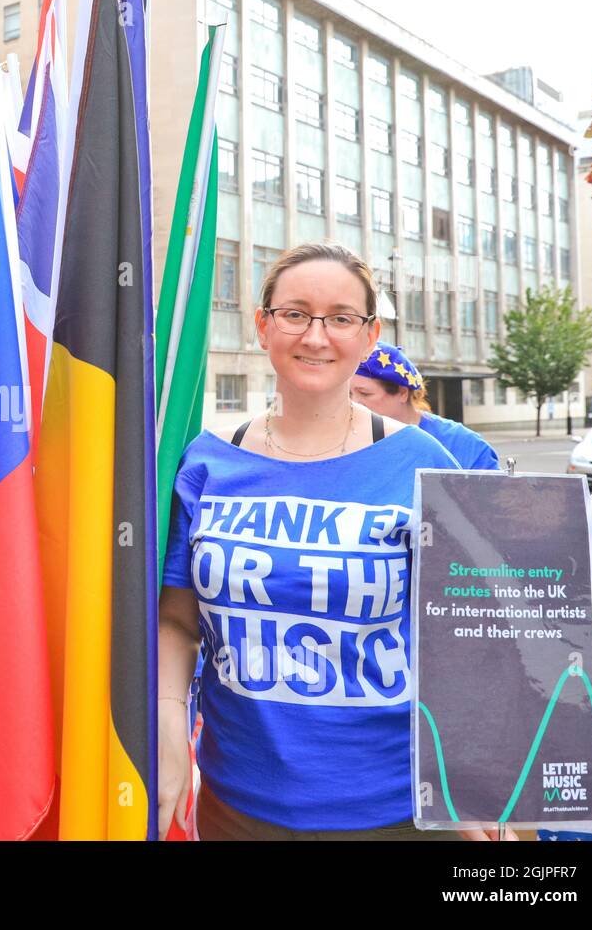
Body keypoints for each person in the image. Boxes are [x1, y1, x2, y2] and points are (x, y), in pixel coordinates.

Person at [157, 242, 509, 841]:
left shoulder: (425, 462)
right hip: (237, 804)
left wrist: (471, 780)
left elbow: (473, 629)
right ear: (263, 325)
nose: (316, 337)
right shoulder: (205, 462)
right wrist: (167, 733)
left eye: (341, 318)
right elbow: (180, 624)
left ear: (370, 336)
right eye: (295, 313)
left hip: (397, 808)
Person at [349, 341, 501, 471]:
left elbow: (493, 500)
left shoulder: (464, 444)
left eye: (365, 394)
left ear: (402, 392)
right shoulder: (342, 440)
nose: (353, 403)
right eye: (348, 395)